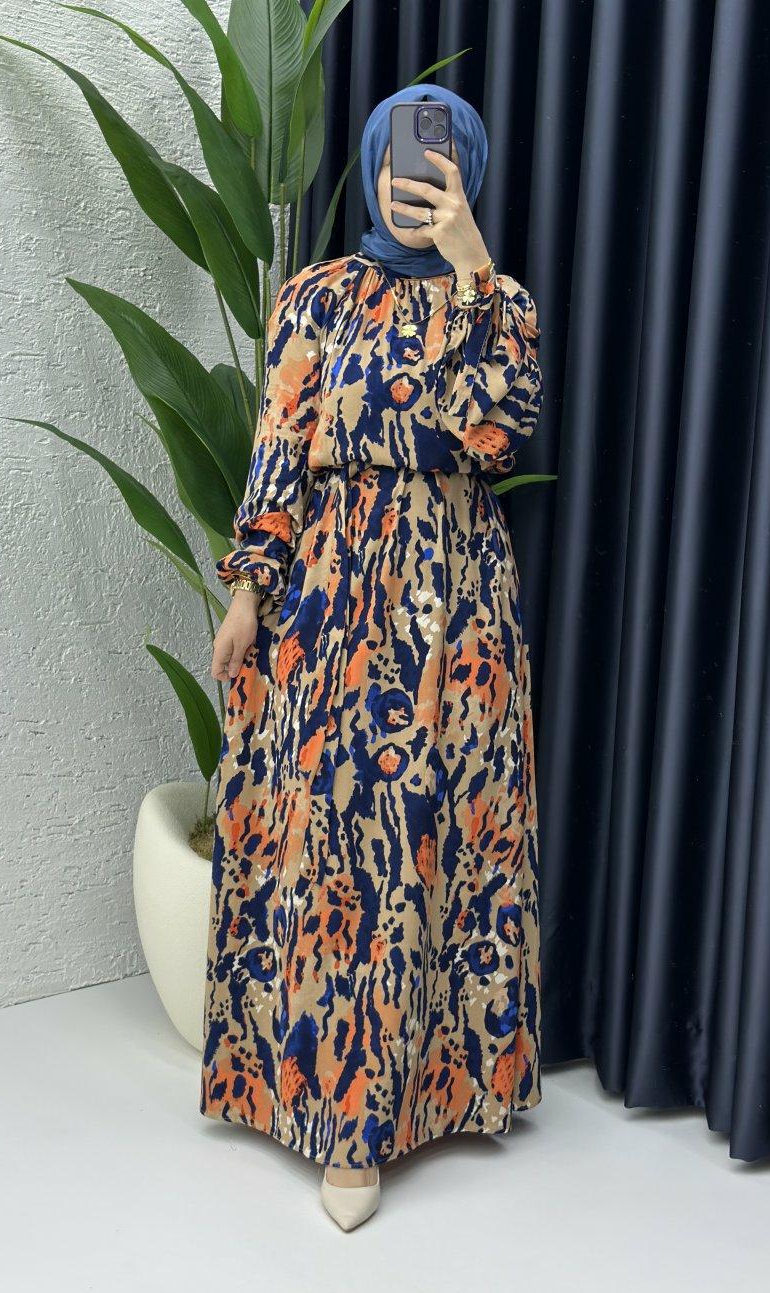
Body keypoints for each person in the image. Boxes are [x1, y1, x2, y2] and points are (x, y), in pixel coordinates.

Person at [200, 83, 544, 1231]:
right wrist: (247, 589)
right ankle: (335, 1117)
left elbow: (496, 431)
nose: (413, 182)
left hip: (455, 605)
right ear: (373, 160)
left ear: (465, 173)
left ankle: (435, 1096)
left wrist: (472, 269)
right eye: (399, 160)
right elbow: (278, 448)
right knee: (339, 845)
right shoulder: (315, 296)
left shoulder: (500, 304)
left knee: (440, 838)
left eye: (439, 165)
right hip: (335, 592)